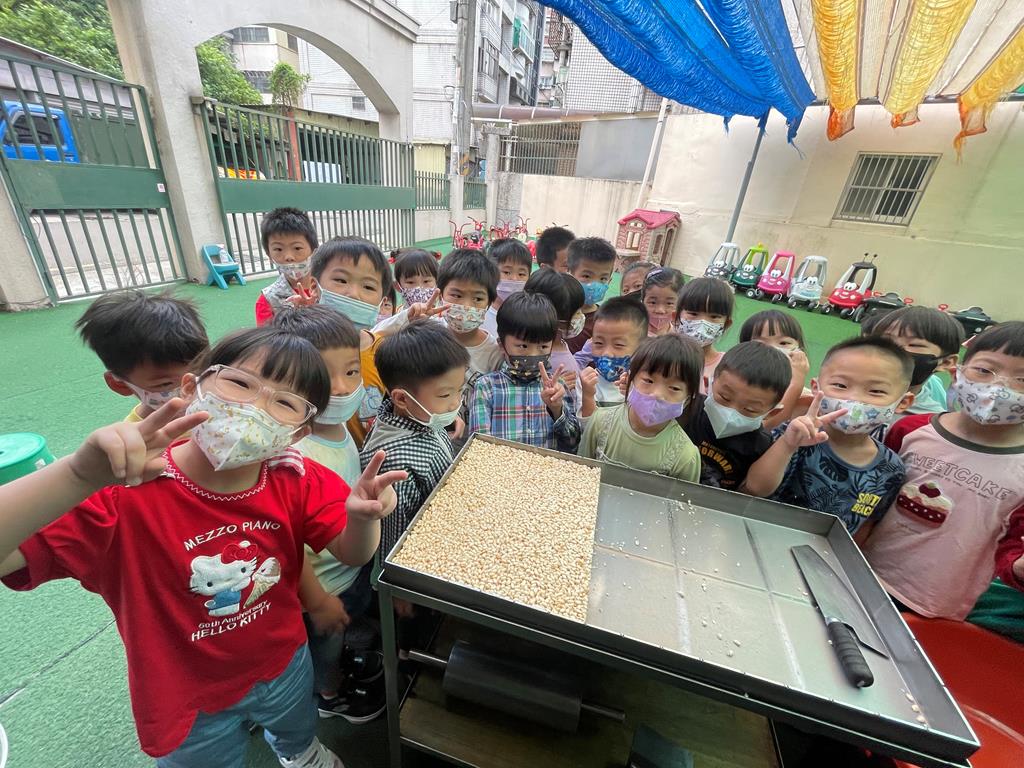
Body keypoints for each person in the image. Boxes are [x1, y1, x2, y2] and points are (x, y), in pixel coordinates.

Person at [0, 327, 406, 768]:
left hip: (282, 658)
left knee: (296, 724)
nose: (254, 409)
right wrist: (77, 477)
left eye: (285, 403)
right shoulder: (123, 494)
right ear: (192, 386)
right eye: (240, 383)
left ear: (296, 433)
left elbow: (351, 553)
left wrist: (362, 518)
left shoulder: (295, 475)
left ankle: (300, 754)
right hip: (184, 691)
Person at [862, 322, 1024, 620]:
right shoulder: (911, 430)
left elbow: (1011, 549)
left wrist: (1018, 568)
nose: (1000, 388)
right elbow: (872, 496)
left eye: (1022, 379)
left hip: (932, 606)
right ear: (958, 371)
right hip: (861, 571)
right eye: (985, 370)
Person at [270, 307, 384, 723]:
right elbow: (283, 542)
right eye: (320, 376)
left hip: (346, 568)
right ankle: (329, 695)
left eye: (351, 371)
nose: (340, 387)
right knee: (323, 644)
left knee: (338, 631)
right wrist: (317, 601)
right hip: (317, 589)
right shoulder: (291, 456)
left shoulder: (337, 427)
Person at [742, 337, 914, 541]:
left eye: (876, 391)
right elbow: (754, 488)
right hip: (755, 540)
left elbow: (864, 528)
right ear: (816, 387)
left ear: (903, 402)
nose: (854, 399)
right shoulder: (795, 434)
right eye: (840, 385)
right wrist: (788, 445)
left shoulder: (891, 469)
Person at [360, 320, 470, 558]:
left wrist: (446, 417)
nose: (456, 403)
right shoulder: (396, 465)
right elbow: (397, 545)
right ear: (401, 399)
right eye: (445, 394)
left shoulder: (420, 415)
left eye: (459, 390)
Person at [468, 292, 582, 452]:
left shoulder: (558, 388)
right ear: (501, 345)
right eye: (523, 346)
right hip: (501, 467)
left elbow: (572, 444)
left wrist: (557, 409)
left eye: (543, 347)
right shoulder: (486, 387)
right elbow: (479, 448)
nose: (533, 354)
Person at [580, 334, 701, 482]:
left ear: (687, 399)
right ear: (630, 380)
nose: (657, 394)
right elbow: (580, 475)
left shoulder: (686, 456)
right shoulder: (600, 422)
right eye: (648, 381)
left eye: (674, 388)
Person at [75, 289, 209, 422]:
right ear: (120, 385)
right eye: (165, 384)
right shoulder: (136, 433)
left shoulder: (217, 404)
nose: (193, 387)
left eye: (204, 371)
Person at [313, 236, 394, 447]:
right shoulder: (299, 350)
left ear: (382, 302)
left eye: (368, 287)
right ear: (314, 287)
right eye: (341, 281)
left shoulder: (385, 351)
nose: (354, 294)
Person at [682, 342, 789, 490]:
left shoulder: (760, 444)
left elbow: (750, 490)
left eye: (749, 409)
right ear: (708, 383)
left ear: (771, 413)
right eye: (724, 397)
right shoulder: (687, 408)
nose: (730, 414)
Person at [861, 306, 964, 416]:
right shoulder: (848, 392)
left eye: (914, 345)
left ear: (946, 362)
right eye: (886, 340)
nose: (895, 349)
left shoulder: (930, 421)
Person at [523, 268, 588, 413]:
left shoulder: (561, 342)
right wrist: (558, 386)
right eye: (576, 312)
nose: (581, 317)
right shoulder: (537, 357)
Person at [739, 310, 813, 428]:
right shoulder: (736, 386)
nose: (773, 350)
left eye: (783, 343)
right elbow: (763, 428)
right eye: (761, 344)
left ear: (800, 349)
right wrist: (796, 384)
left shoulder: (806, 399)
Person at [573, 295, 649, 408]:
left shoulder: (648, 386)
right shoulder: (586, 382)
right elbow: (586, 420)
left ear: (641, 347)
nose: (606, 353)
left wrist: (637, 397)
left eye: (618, 345)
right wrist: (587, 396)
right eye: (599, 343)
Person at [254, 207, 320, 325]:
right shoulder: (268, 300)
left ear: (314, 250)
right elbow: (268, 336)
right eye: (278, 249)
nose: (288, 257)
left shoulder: (329, 288)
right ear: (269, 255)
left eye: (297, 248)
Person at [674, 276, 735, 392]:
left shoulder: (728, 367)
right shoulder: (659, 355)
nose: (703, 322)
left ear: (726, 324)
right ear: (676, 318)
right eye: (693, 314)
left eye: (714, 316)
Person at [565, 236, 617, 354]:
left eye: (603, 278)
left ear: (610, 281)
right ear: (569, 274)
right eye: (587, 276)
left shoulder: (605, 321)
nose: (595, 285)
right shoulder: (554, 311)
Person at [483, 238, 533, 337]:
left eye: (521, 274)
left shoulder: (531, 316)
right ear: (490, 273)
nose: (514, 279)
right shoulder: (479, 315)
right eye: (506, 272)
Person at [640, 267, 685, 336]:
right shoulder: (631, 334)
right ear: (642, 301)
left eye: (669, 303)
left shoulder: (678, 336)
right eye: (653, 302)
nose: (660, 310)